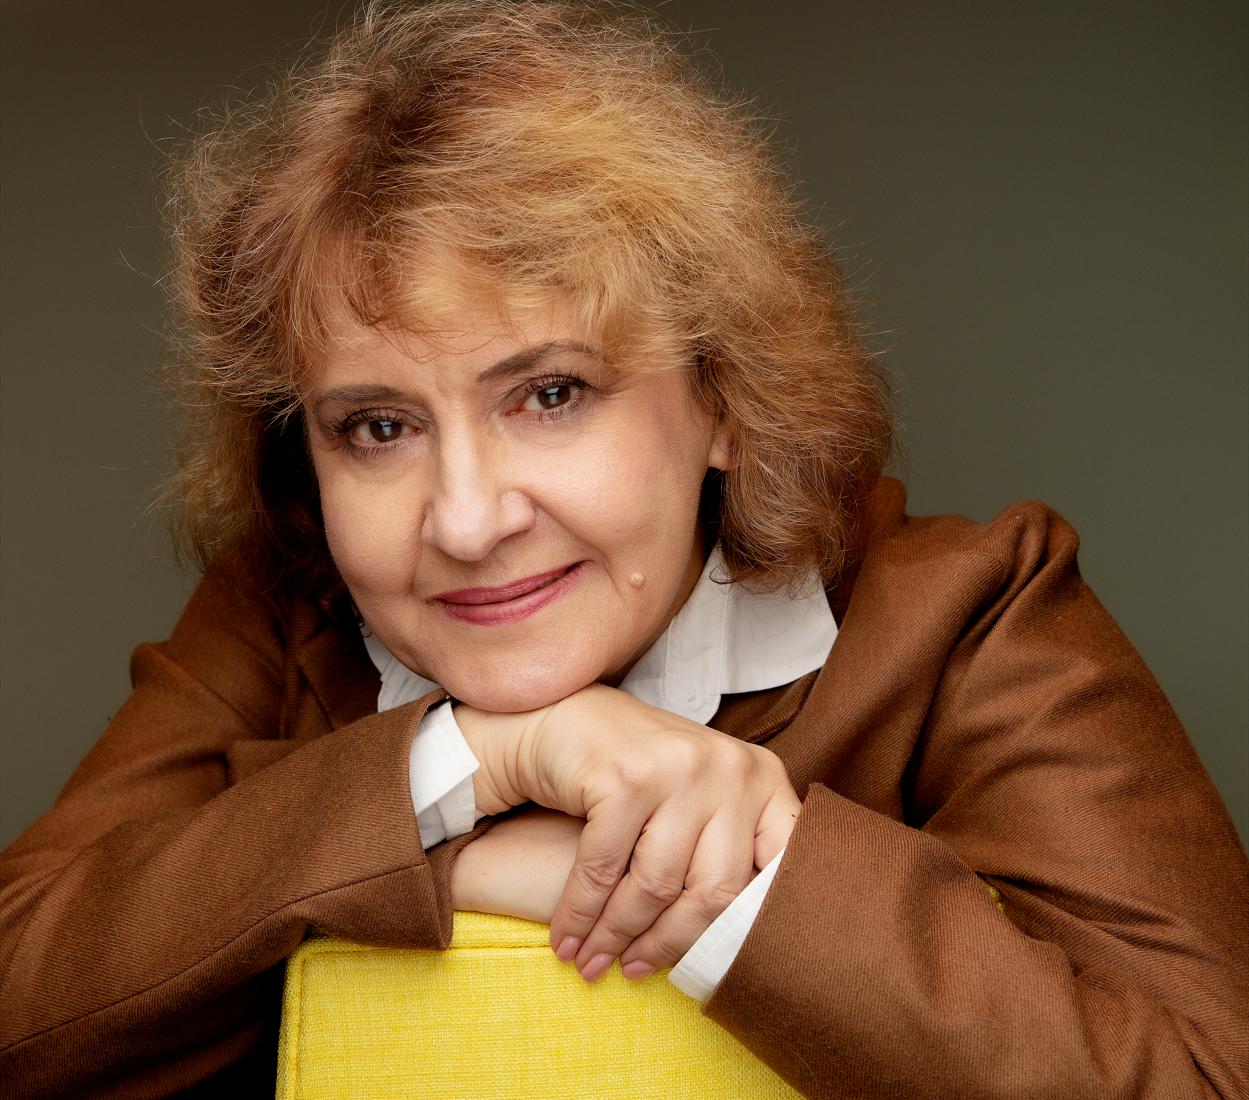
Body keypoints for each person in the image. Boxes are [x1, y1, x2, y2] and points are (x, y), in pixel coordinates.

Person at [1, 2, 1245, 1097]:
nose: (467, 520)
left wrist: (724, 873)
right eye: (378, 426)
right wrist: (476, 766)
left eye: (550, 394)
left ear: (722, 398)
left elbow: (1195, 1077)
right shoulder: (282, 615)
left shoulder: (976, 616)